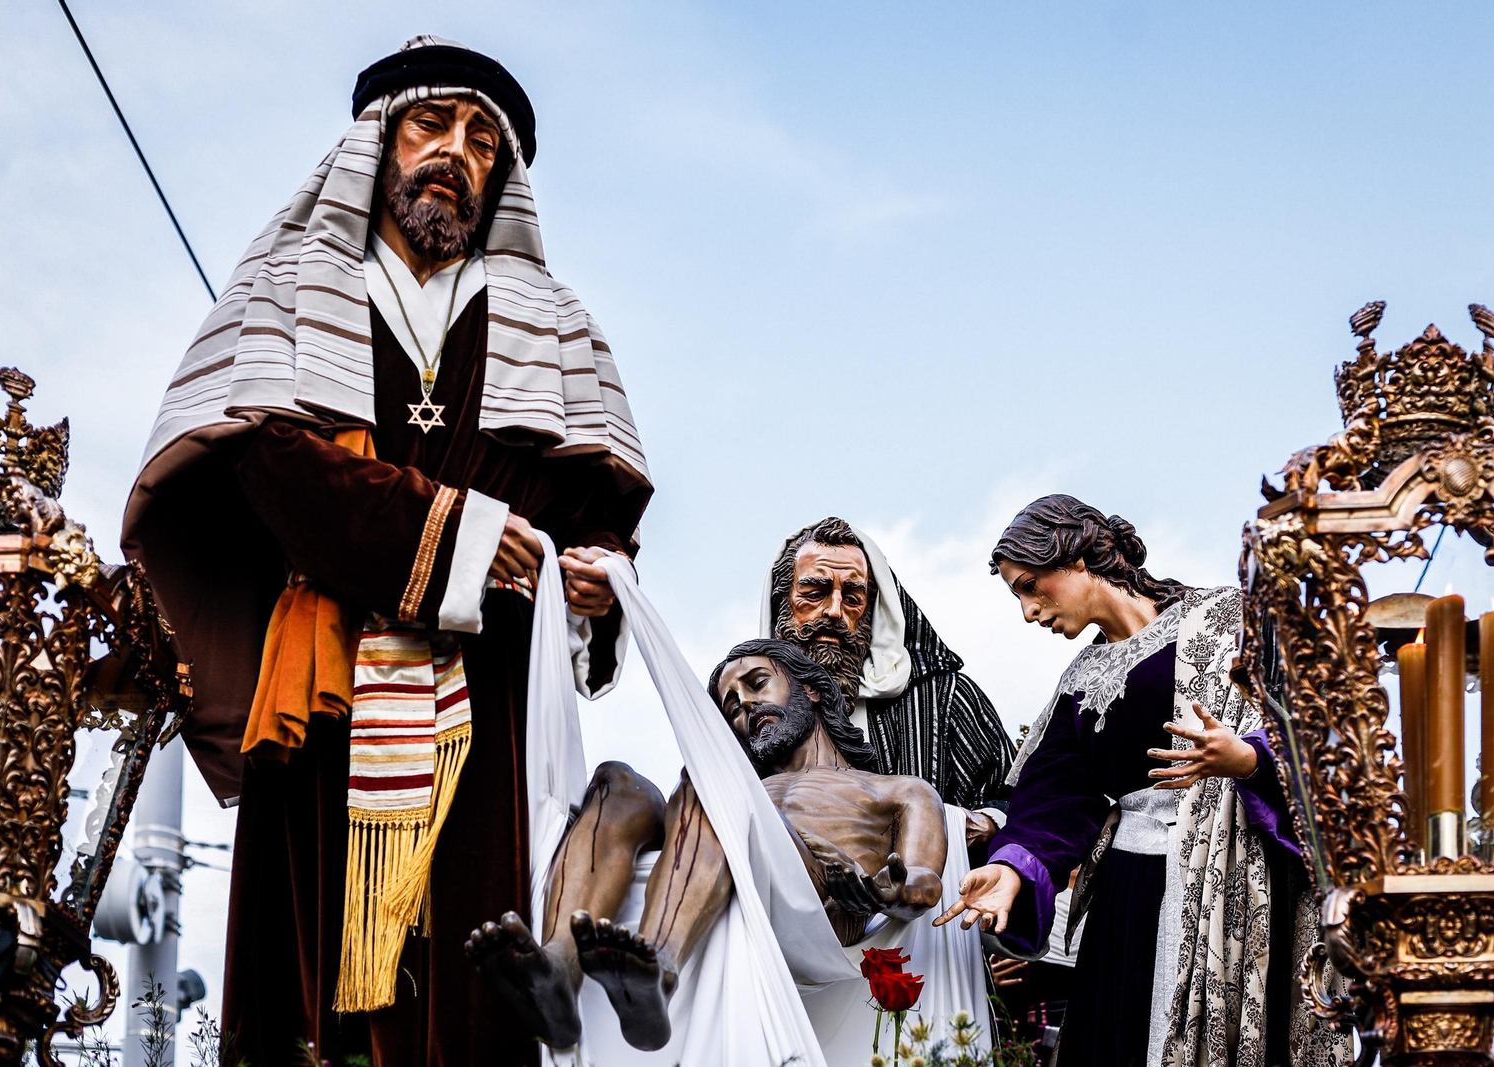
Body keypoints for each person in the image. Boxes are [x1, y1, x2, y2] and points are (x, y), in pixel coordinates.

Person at [122, 36, 652, 1066]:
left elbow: (600, 505)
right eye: (432, 124)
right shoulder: (289, 282)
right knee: (313, 981)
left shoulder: (557, 323)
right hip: (329, 680)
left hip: (486, 690)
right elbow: (270, 459)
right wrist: (464, 535)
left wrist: (599, 579)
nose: (456, 150)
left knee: (478, 964)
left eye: (483, 140)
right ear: (377, 142)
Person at [934, 495, 1348, 1067]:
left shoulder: (1231, 618)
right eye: (1018, 596)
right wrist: (1012, 868)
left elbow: (1318, 728)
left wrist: (1250, 760)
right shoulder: (1082, 680)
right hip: (1130, 892)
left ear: (1077, 558)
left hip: (1236, 884)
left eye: (1031, 586)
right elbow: (1053, 800)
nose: (1029, 611)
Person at [466, 638, 946, 1052]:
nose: (744, 707)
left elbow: (924, 884)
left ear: (813, 690)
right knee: (619, 781)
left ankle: (660, 963)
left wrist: (886, 887)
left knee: (713, 780)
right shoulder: (740, 790)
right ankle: (559, 967)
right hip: (740, 857)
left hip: (817, 907)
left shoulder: (897, 789)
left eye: (757, 684)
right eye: (731, 705)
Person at [764, 518, 1016, 841]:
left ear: (873, 613)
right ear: (782, 602)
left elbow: (1022, 802)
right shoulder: (747, 713)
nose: (834, 611)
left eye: (853, 598)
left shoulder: (944, 699)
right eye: (815, 593)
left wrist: (981, 824)